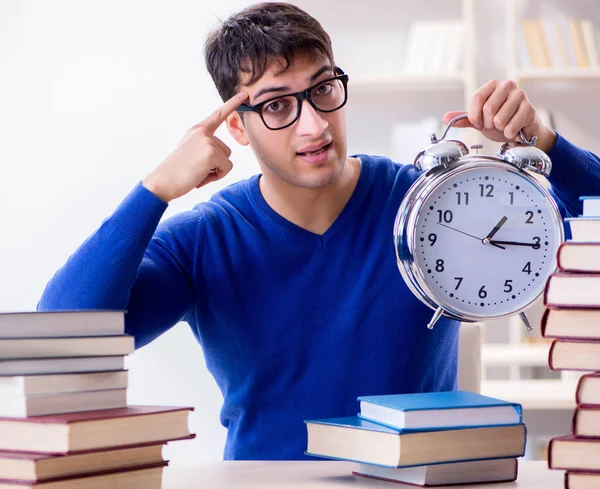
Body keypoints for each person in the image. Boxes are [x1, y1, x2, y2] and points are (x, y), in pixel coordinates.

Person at [38, 2, 600, 460]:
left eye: (323, 90)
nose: (314, 126)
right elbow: (62, 343)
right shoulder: (203, 239)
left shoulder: (429, 202)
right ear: (236, 125)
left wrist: (544, 141)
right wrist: (154, 191)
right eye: (278, 105)